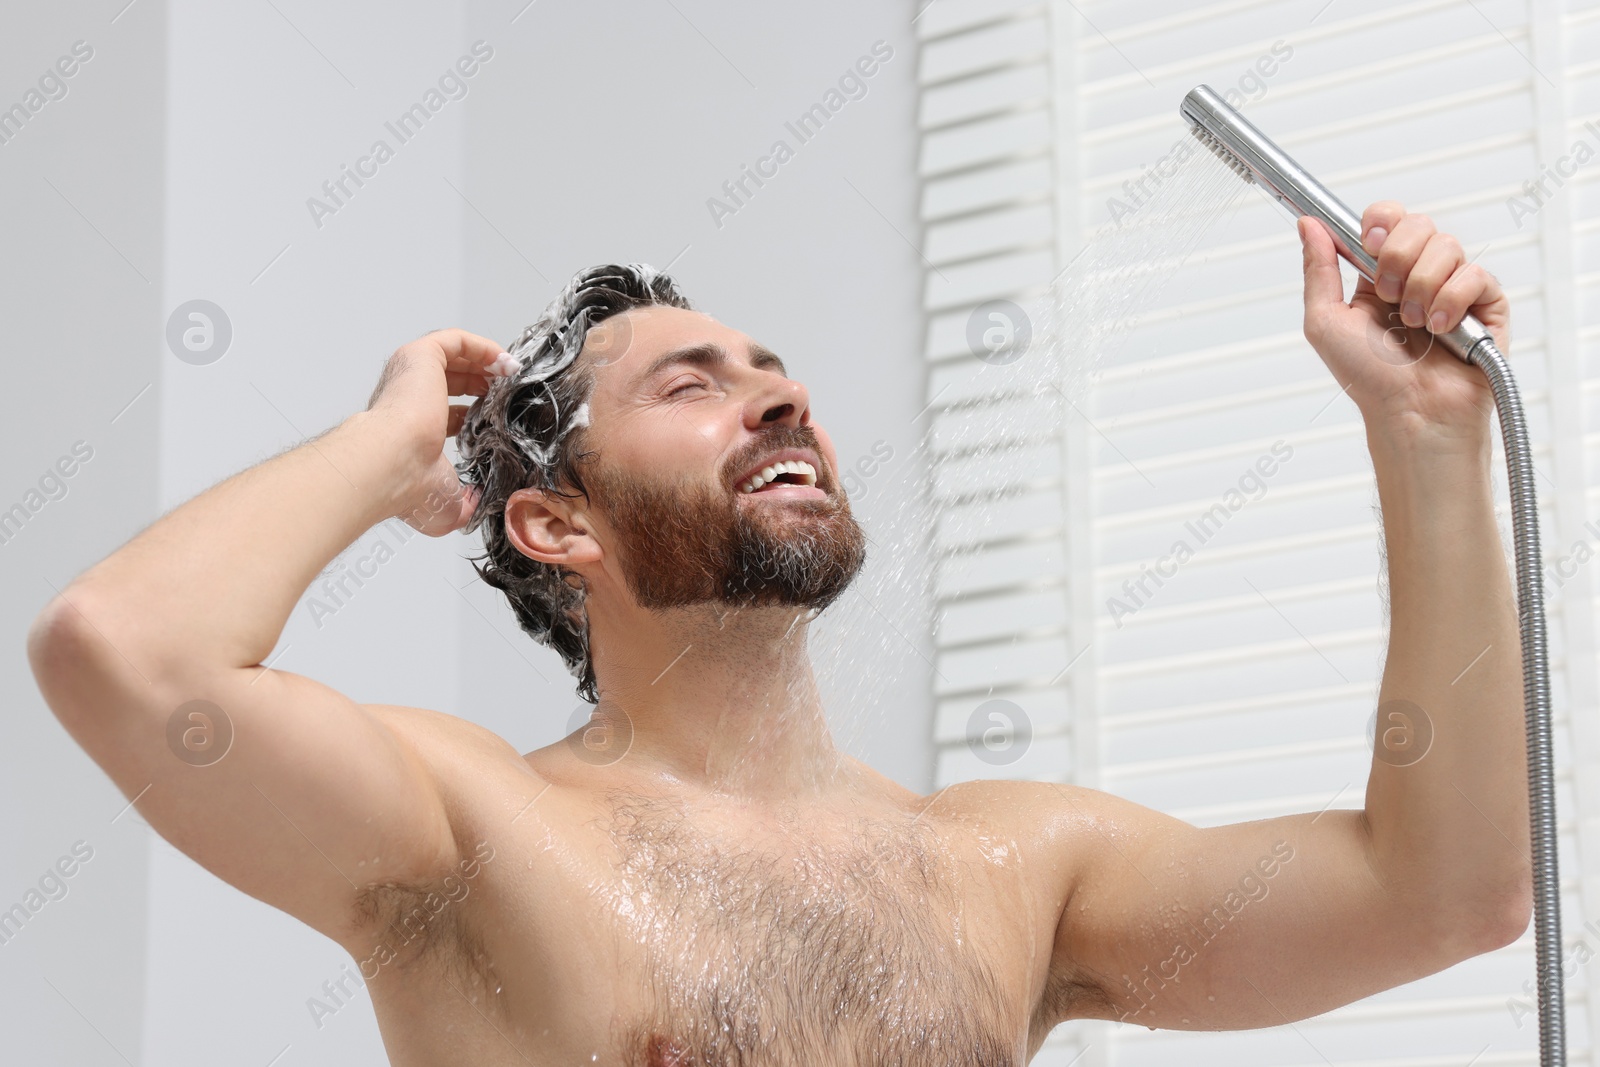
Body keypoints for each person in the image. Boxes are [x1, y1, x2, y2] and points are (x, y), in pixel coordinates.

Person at [28, 202, 1529, 1065]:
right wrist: (385, 443)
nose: (779, 398)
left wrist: (1427, 435)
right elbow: (124, 649)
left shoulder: (1010, 865)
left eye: (777, 375)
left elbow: (1440, 894)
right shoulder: (465, 828)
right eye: (690, 388)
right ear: (558, 524)